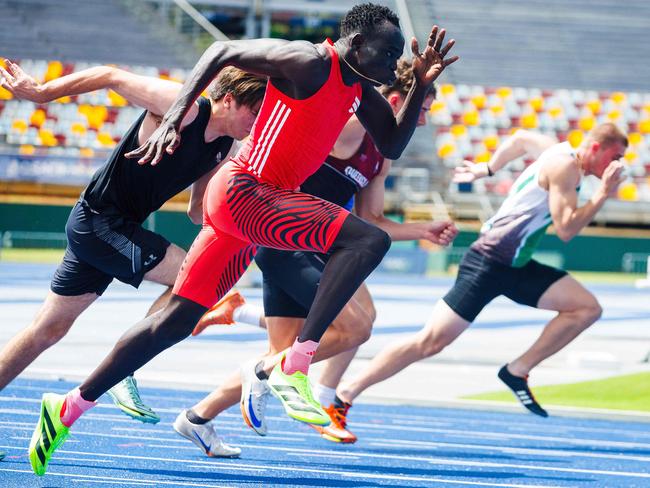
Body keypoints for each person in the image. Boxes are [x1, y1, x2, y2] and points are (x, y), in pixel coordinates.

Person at [26, 2, 458, 476]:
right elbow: (222, 49)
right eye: (388, 51)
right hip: (245, 191)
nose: (393, 60)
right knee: (367, 241)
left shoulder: (360, 88)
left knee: (176, 321)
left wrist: (420, 84)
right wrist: (174, 115)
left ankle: (68, 405)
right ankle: (294, 366)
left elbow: (392, 144)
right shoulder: (309, 61)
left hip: (251, 209)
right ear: (356, 44)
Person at [173, 59, 457, 455]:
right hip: (283, 241)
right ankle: (297, 383)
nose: (423, 122)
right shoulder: (345, 129)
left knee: (287, 350)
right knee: (357, 327)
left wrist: (421, 231)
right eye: (421, 110)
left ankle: (198, 417)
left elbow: (371, 220)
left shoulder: (381, 157)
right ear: (395, 101)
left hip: (317, 250)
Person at [0, 61, 265, 430]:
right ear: (231, 100)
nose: (258, 122)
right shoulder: (183, 106)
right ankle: (124, 369)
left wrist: (246, 207)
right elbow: (111, 75)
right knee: (190, 276)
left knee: (46, 330)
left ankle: (124, 365)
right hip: (99, 220)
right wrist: (41, 93)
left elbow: (197, 211)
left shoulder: (224, 147)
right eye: (255, 112)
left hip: (112, 228)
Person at [332, 124, 627, 425]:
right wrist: (603, 193)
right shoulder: (565, 166)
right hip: (486, 262)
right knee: (430, 341)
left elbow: (520, 138)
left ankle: (516, 371)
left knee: (585, 308)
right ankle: (345, 393)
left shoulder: (555, 149)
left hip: (516, 264)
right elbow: (566, 229)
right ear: (595, 148)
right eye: (615, 155)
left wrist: (487, 168)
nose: (617, 164)